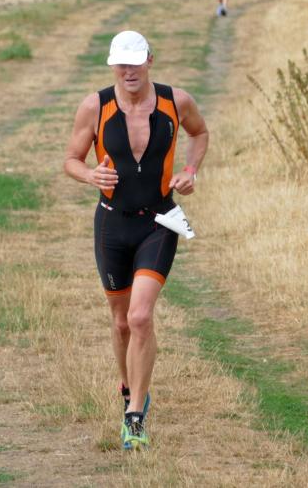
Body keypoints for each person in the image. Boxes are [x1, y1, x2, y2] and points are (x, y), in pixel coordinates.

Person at [63, 30, 209, 450]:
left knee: (141, 316)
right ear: (113, 66)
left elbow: (200, 133)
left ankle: (135, 415)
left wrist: (190, 171)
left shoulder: (175, 101)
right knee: (122, 321)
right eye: (121, 63)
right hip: (112, 225)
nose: (129, 70)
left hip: (159, 222)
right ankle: (128, 386)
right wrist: (90, 175)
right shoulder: (95, 107)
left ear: (149, 60)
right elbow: (71, 159)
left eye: (135, 61)